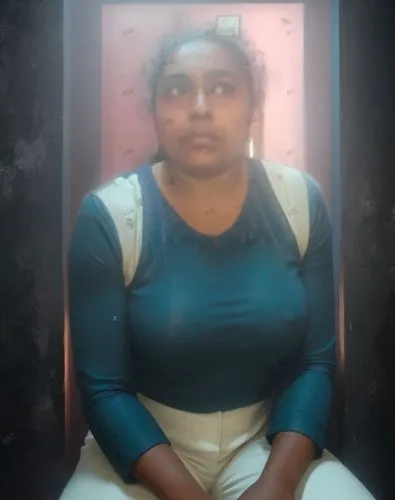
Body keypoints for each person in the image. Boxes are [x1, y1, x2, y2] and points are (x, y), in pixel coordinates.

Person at [60, 29, 375, 500]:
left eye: (223, 87)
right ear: (155, 112)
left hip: (265, 446)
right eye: (178, 88)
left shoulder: (300, 201)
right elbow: (105, 390)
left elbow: (314, 361)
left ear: (253, 107)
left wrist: (278, 483)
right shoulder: (110, 217)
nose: (200, 106)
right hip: (142, 450)